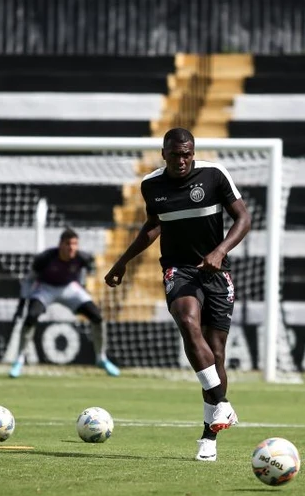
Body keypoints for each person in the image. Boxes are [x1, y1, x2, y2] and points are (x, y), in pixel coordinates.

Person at [104, 127, 252, 462]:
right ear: (164, 154)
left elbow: (243, 218)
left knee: (216, 354)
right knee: (186, 319)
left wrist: (219, 251)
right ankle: (223, 405)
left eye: (188, 154)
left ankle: (209, 436)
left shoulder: (215, 175)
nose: (182, 160)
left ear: (194, 152)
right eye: (176, 154)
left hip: (217, 270)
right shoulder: (151, 185)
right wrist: (122, 262)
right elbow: (154, 226)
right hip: (178, 268)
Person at [8, 229, 120, 378]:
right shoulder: (45, 258)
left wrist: (84, 287)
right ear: (60, 245)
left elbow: (88, 272)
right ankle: (19, 360)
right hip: (45, 289)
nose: (71, 248)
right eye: (68, 244)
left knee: (97, 317)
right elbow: (29, 280)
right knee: (31, 317)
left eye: (75, 244)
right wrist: (22, 304)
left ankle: (101, 358)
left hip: (69, 288)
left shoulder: (82, 258)